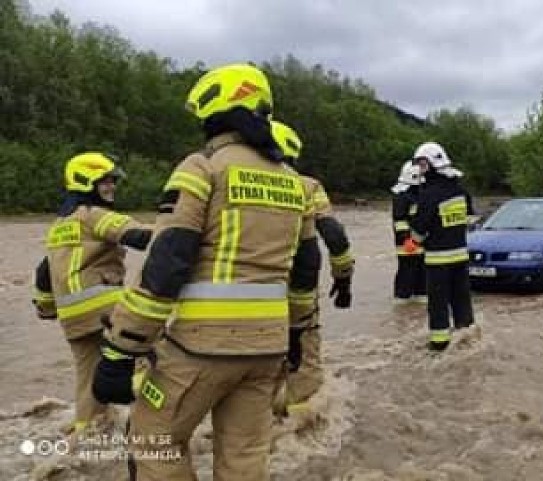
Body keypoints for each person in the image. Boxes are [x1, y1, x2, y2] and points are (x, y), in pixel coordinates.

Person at [91, 63, 319, 481]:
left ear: (215, 114)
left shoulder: (202, 168)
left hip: (202, 346)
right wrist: (297, 333)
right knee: (246, 458)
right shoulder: (296, 183)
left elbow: (166, 263)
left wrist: (122, 346)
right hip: (268, 350)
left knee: (152, 440)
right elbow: (306, 270)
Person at [32, 152, 151, 435]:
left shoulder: (58, 227)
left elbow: (44, 272)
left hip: (73, 319)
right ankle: (149, 425)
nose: (112, 187)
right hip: (105, 307)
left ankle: (86, 438)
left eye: (113, 181)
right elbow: (137, 236)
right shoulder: (93, 215)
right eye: (105, 181)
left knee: (88, 382)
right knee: (153, 355)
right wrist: (179, 233)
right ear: (86, 182)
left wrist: (46, 309)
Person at [267, 121, 354, 417]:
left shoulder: (227, 179)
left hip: (238, 297)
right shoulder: (307, 186)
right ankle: (299, 428)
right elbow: (334, 236)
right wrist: (343, 281)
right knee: (303, 369)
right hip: (296, 295)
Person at [408, 142, 475, 351]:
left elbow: (420, 227)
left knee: (438, 305)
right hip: (461, 257)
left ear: (430, 164)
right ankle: (467, 339)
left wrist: (414, 242)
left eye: (421, 164)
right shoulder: (461, 191)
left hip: (438, 260)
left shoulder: (429, 194)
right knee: (462, 301)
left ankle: (439, 346)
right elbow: (470, 220)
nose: (419, 169)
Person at [391, 160, 427, 303]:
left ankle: (420, 295)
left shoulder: (421, 193)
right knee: (407, 269)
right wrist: (406, 239)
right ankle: (402, 297)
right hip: (406, 243)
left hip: (421, 240)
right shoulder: (402, 196)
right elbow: (399, 220)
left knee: (422, 270)